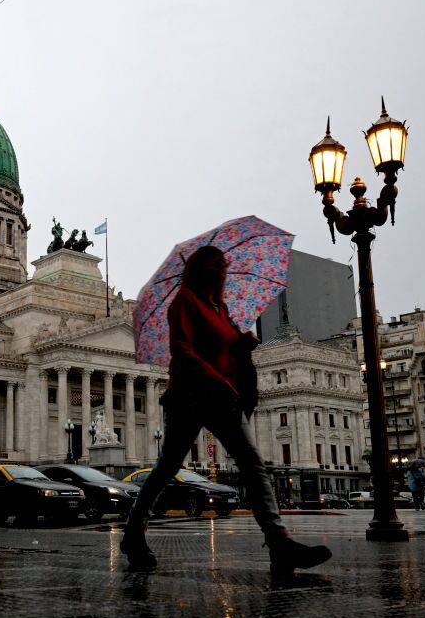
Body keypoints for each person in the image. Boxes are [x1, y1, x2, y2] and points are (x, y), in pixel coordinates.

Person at [121, 245, 332, 579]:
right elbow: (182, 350)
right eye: (218, 263)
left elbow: (226, 348)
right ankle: (134, 531)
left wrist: (242, 343)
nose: (224, 268)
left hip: (223, 398)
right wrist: (216, 378)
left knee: (253, 465)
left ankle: (279, 543)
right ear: (202, 268)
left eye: (225, 263)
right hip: (190, 396)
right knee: (167, 468)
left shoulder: (221, 309)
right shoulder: (184, 302)